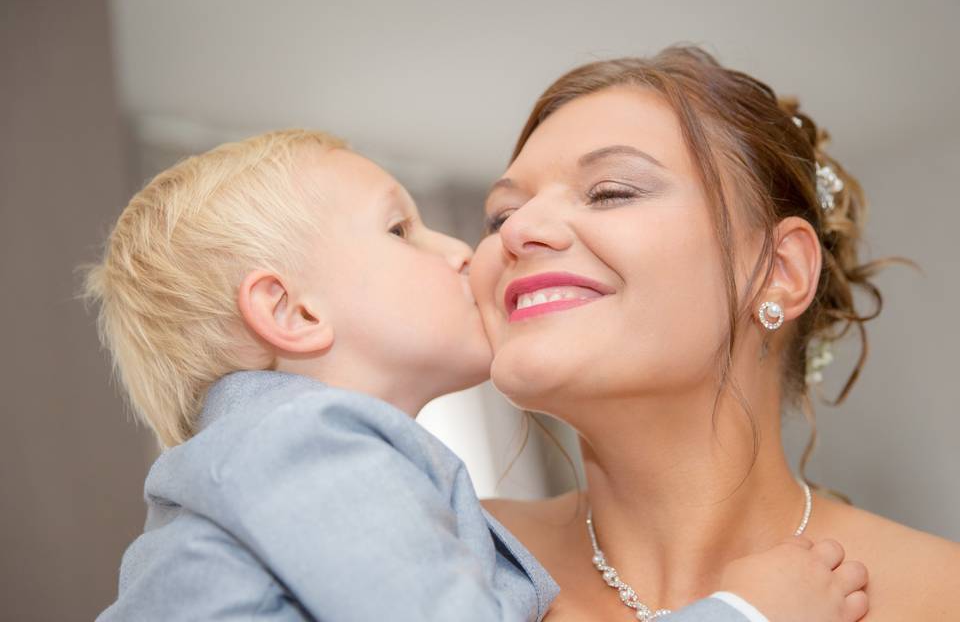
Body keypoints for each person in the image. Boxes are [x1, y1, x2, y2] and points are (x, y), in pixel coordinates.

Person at [85, 128, 857, 621]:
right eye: (401, 229)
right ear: (290, 313)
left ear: (780, 271)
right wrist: (745, 615)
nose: (467, 250)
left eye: (613, 192)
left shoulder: (301, 464)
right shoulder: (304, 441)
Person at [470, 46, 960, 621]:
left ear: (779, 272)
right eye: (501, 216)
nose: (518, 231)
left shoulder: (941, 595)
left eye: (611, 191)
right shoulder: (444, 549)